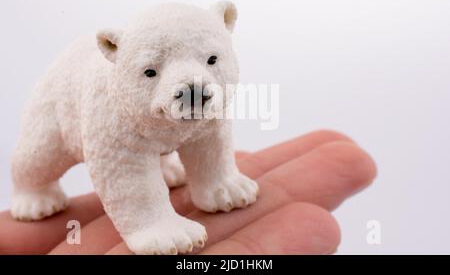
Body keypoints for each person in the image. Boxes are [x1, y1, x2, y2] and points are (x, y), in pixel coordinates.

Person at [0, 130, 376, 255]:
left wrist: (217, 177)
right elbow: (118, 164)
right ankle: (33, 184)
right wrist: (149, 220)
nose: (195, 84)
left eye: (212, 60)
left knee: (191, 125)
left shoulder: (208, 91)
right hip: (75, 119)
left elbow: (210, 135)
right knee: (41, 155)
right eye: (150, 71)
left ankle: (209, 182)